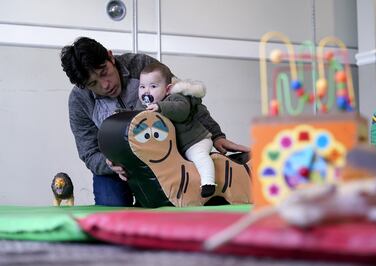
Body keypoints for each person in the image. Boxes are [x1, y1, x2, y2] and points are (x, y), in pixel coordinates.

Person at [60, 36, 250, 206]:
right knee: (113, 209)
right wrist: (108, 164)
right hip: (119, 170)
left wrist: (216, 135)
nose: (105, 85)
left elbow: (185, 99)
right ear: (83, 86)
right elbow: (88, 152)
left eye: (104, 72)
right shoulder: (79, 101)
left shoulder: (142, 65)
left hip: (167, 156)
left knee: (193, 197)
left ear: (111, 57)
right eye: (93, 84)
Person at [138, 62, 218, 197]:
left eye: (153, 86)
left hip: (196, 141)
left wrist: (161, 107)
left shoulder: (176, 98)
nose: (146, 91)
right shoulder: (150, 107)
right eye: (142, 86)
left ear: (168, 89)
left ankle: (208, 182)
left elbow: (182, 111)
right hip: (179, 147)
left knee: (199, 156)